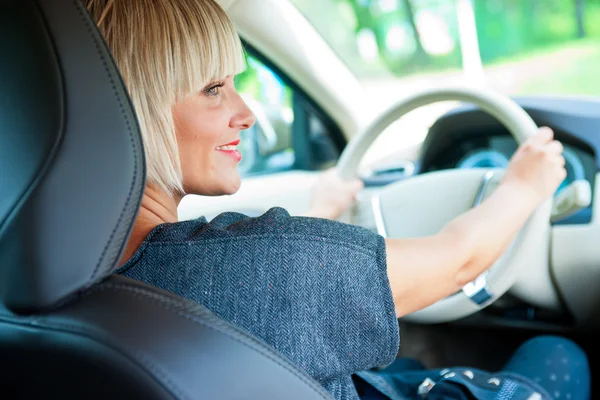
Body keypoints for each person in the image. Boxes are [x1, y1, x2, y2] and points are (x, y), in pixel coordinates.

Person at [84, 1, 590, 399]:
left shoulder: (56, 276)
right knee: (558, 354)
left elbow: (265, 282)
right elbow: (459, 262)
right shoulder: (252, 267)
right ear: (135, 111)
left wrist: (319, 215)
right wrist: (525, 185)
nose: (246, 114)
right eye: (214, 89)